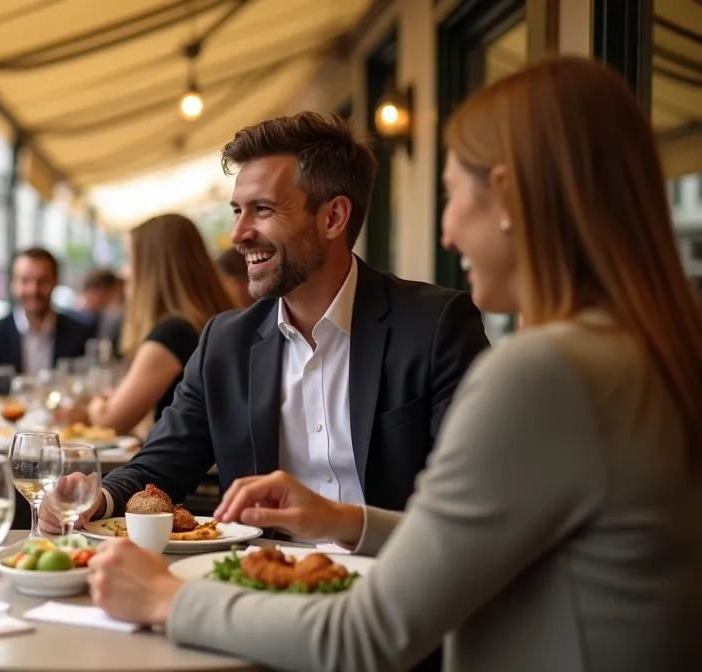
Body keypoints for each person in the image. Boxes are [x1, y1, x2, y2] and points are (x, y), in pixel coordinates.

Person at [86, 57, 702, 671]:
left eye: (451, 195)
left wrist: (167, 599)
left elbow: (370, 635)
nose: (447, 232)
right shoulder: (642, 352)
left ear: (508, 197)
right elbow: (473, 545)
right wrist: (344, 520)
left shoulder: (541, 372)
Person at [43, 112, 490, 533]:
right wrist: (97, 499)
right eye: (237, 211)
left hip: (391, 578)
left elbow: (472, 504)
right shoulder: (225, 342)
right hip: (255, 576)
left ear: (333, 217)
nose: (238, 235)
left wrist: (344, 523)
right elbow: (160, 466)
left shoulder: (434, 327)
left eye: (262, 210)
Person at [80, 214, 237, 434]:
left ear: (153, 269)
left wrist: (96, 401)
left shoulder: (173, 334)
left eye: (130, 260)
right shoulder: (212, 323)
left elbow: (110, 422)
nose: (124, 272)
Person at [0, 246, 97, 396]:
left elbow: (87, 390)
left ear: (55, 282)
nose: (33, 289)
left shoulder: (80, 333)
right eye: (25, 280)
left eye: (42, 281)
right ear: (13, 284)